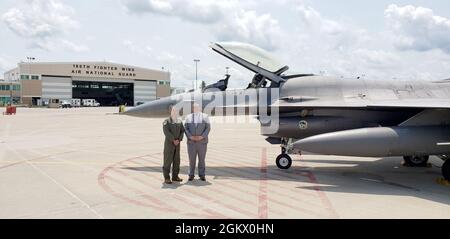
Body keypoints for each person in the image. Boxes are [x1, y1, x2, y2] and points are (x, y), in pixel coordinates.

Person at [184, 103, 211, 181]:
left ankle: (202, 175)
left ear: (200, 108)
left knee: (202, 159)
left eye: (197, 107)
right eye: (194, 108)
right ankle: (191, 174)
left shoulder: (205, 116)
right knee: (191, 160)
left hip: (202, 142)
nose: (196, 109)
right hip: (191, 143)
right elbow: (185, 128)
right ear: (192, 109)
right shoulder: (188, 117)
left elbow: (208, 128)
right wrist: (190, 136)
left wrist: (202, 136)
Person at [162, 106, 185, 184]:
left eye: (176, 111)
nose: (174, 112)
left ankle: (175, 177)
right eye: (173, 110)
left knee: (177, 161)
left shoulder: (179, 121)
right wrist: (173, 140)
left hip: (177, 145)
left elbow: (182, 131)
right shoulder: (167, 121)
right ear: (170, 111)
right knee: (167, 161)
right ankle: (167, 178)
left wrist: (179, 139)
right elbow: (166, 132)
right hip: (169, 145)